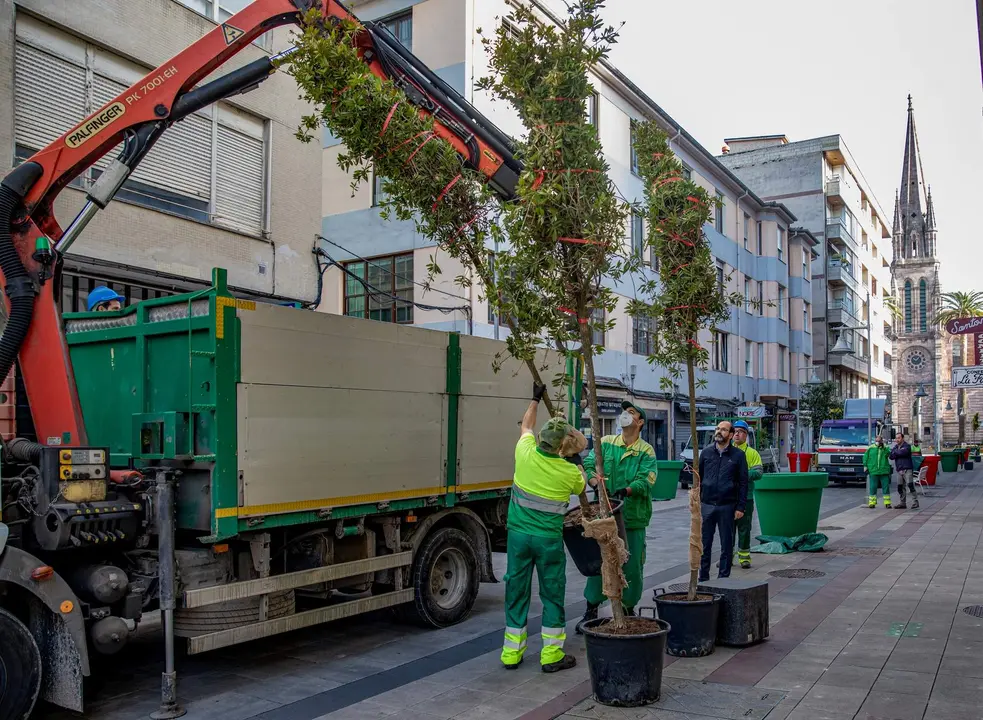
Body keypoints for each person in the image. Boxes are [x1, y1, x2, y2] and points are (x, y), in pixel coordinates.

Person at [501, 382, 586, 673]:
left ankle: (511, 653)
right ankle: (551, 655)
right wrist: (576, 460)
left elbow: (526, 425)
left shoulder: (524, 453)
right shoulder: (569, 473)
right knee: (552, 593)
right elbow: (582, 483)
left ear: (541, 440)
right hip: (548, 540)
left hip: (518, 537)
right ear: (563, 447)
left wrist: (535, 398)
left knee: (516, 589)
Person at [576, 401, 657, 633]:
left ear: (640, 422)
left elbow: (647, 479)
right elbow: (589, 464)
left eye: (631, 412)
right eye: (625, 411)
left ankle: (628, 610)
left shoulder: (646, 450)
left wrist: (627, 490)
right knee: (599, 563)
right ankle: (591, 608)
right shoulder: (606, 443)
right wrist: (594, 482)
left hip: (632, 518)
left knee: (631, 566)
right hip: (604, 516)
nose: (626, 415)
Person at [698, 421, 749, 581]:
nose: (720, 432)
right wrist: (696, 503)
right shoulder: (706, 453)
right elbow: (698, 477)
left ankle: (723, 580)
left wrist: (740, 506)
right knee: (704, 545)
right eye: (718, 429)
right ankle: (703, 579)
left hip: (727, 506)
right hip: (706, 505)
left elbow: (743, 483)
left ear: (731, 434)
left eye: (724, 430)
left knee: (726, 545)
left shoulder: (738, 456)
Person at [731, 420, 763, 569]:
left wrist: (741, 475)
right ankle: (727, 557)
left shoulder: (751, 453)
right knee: (727, 529)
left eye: (741, 431)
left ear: (746, 435)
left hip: (746, 498)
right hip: (728, 498)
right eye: (735, 431)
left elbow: (758, 472)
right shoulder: (725, 451)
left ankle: (744, 558)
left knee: (744, 529)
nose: (737, 434)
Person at [890, 432, 919, 510]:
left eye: (899, 438)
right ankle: (902, 503)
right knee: (900, 487)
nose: (897, 440)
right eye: (896, 438)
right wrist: (896, 452)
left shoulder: (907, 446)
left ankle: (915, 502)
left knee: (910, 485)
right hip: (899, 469)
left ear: (902, 438)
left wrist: (895, 452)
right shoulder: (896, 447)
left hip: (907, 468)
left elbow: (903, 452)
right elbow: (891, 456)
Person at [864, 435, 892, 509]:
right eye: (877, 440)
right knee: (873, 487)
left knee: (886, 487)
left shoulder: (885, 448)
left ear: (882, 441)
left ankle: (887, 503)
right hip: (873, 470)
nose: (878, 442)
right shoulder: (871, 448)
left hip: (884, 471)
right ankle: (872, 503)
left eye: (879, 441)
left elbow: (889, 454)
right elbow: (865, 456)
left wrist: (883, 447)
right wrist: (865, 465)